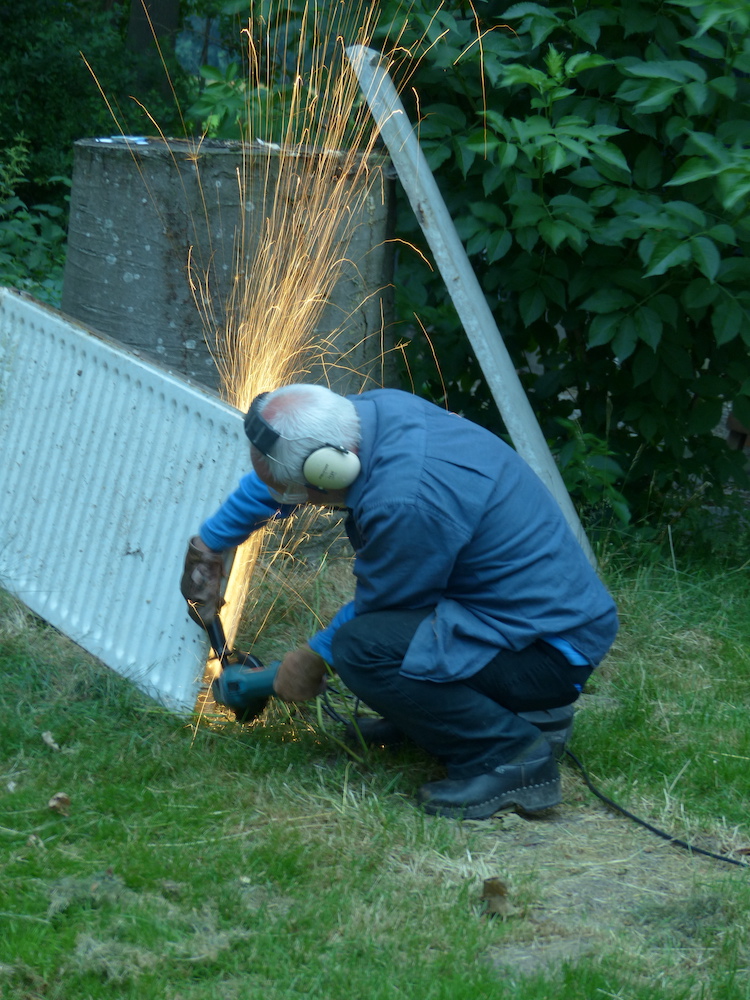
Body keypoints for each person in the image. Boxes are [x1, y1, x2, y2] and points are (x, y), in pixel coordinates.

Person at [181, 383, 618, 820]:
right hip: (522, 617)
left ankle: (509, 754)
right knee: (372, 641)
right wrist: (211, 544)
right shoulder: (371, 415)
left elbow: (383, 608)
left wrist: (308, 660)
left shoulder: (403, 501)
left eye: (299, 493)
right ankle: (441, 723)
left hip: (546, 653)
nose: (295, 503)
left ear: (331, 470)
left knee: (361, 648)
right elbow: (282, 480)